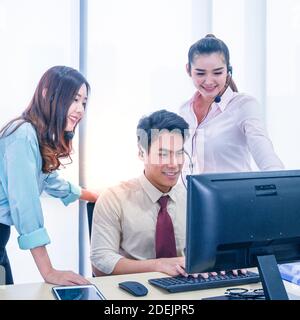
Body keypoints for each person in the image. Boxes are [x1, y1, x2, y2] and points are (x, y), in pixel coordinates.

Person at [0, 66, 98, 285]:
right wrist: (49, 272)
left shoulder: (33, 134)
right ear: (47, 93)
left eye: (84, 102)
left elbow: (48, 179)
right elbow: (25, 205)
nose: (80, 109)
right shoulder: (22, 134)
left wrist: (91, 195)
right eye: (74, 99)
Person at [90, 110, 190, 277]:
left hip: (187, 290)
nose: (174, 164)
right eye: (163, 154)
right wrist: (159, 265)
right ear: (142, 153)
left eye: (179, 153)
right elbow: (101, 263)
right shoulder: (114, 198)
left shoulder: (192, 198)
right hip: (134, 292)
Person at [179, 34, 284, 177]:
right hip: (193, 198)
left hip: (235, 197)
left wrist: (280, 183)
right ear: (188, 70)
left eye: (217, 72)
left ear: (228, 71)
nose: (209, 81)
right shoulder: (185, 110)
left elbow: (265, 153)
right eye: (200, 73)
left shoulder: (244, 105)